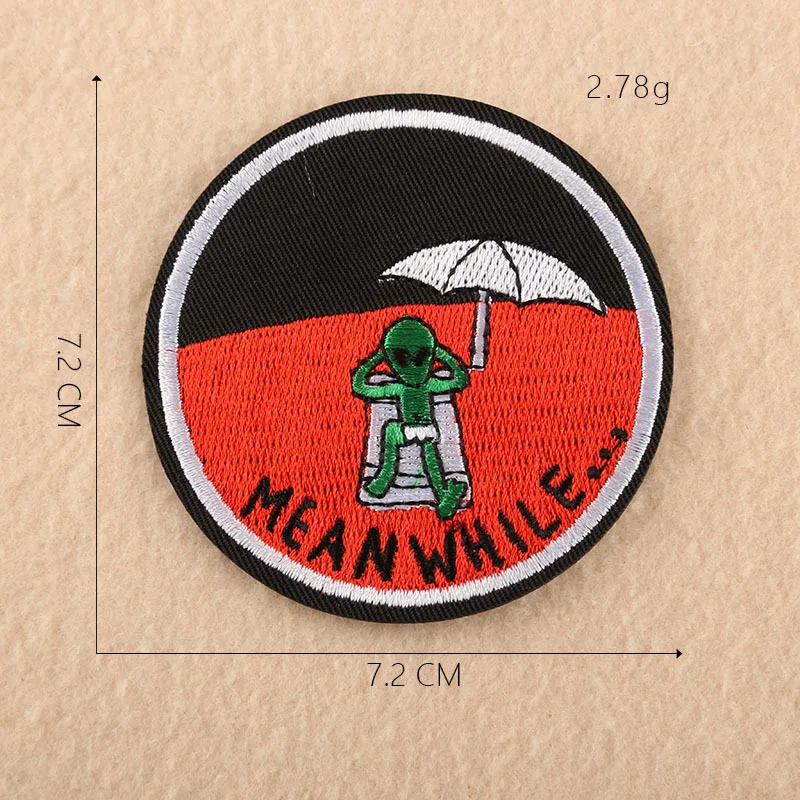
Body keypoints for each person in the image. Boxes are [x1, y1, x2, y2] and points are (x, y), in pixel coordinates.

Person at [352, 316, 469, 520]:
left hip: (407, 431)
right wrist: (442, 354)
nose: (413, 367)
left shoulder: (398, 388)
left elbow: (360, 385)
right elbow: (459, 379)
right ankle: (443, 495)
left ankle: (382, 481)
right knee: (431, 460)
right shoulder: (431, 385)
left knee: (391, 432)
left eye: (420, 358)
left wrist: (378, 357)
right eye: (402, 358)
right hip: (428, 431)